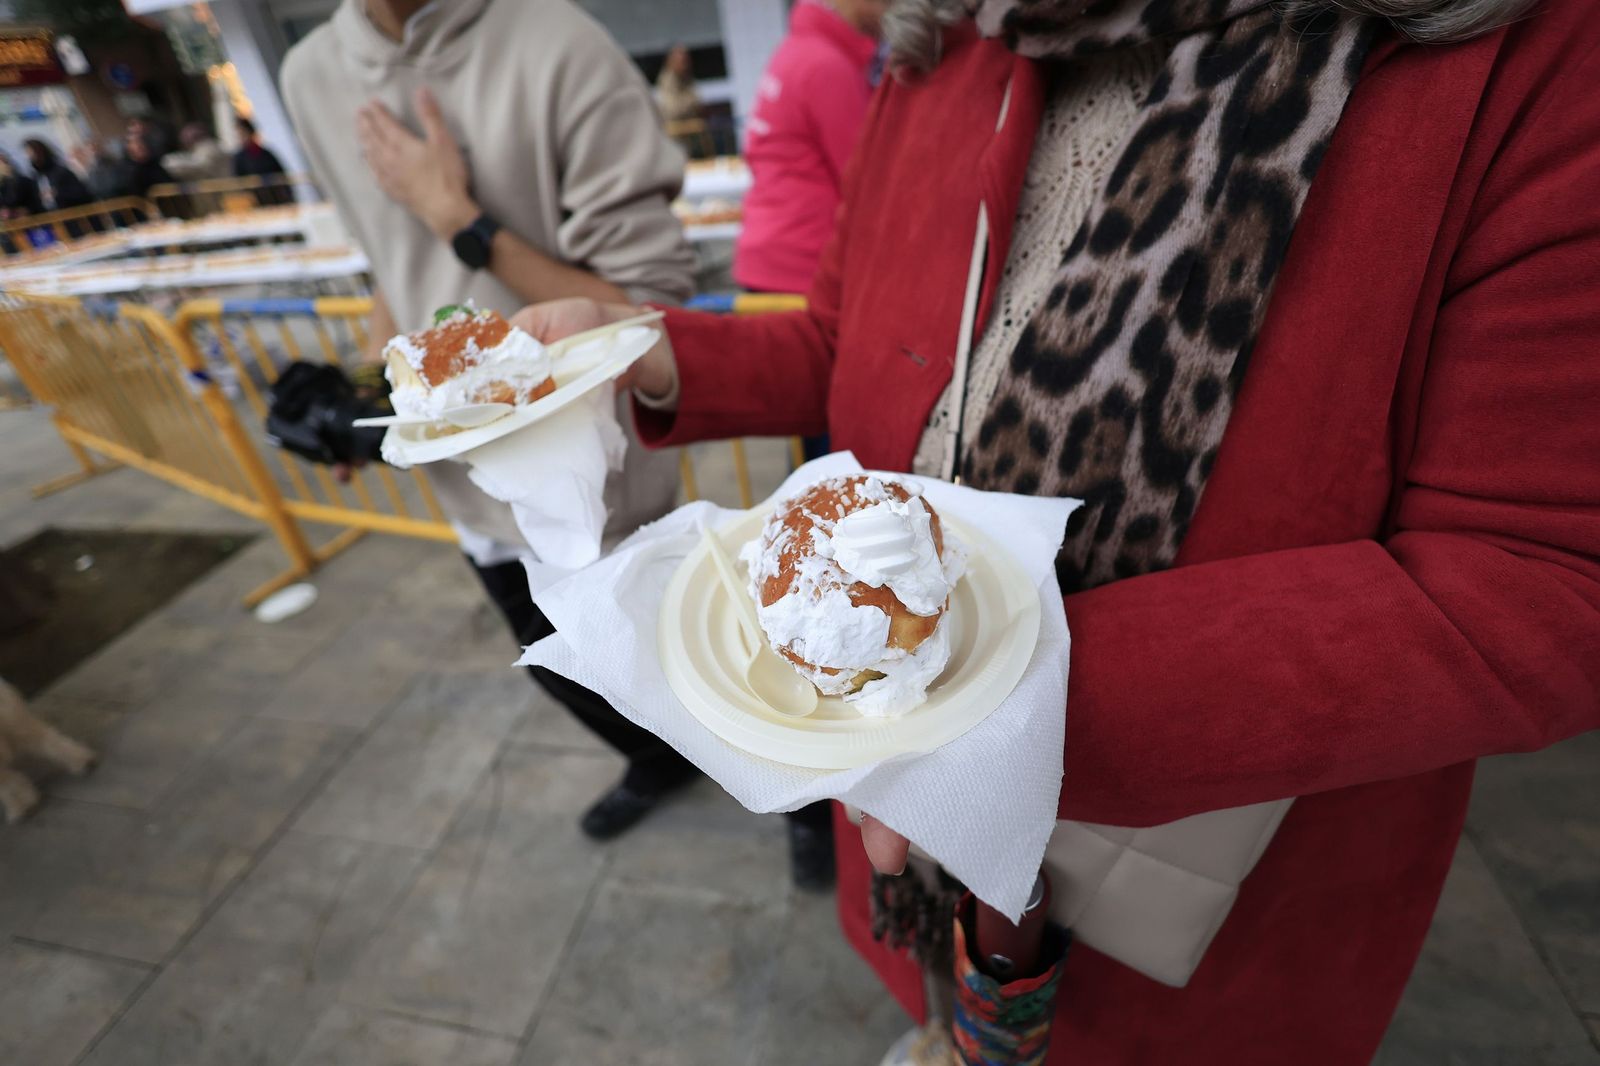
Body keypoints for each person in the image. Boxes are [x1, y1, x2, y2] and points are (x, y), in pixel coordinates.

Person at [516, 0, 1600, 1060]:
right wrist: (645, 353)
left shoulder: (1529, 57)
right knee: (944, 1020)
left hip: (1218, 886)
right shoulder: (948, 41)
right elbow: (853, 340)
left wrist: (998, 704)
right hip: (908, 815)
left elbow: (1540, 576)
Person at [277, 0, 707, 845]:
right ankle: (657, 763)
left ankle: (802, 804)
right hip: (466, 482)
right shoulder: (308, 74)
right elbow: (390, 271)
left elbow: (650, 303)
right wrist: (370, 396)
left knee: (694, 656)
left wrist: (459, 220)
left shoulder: (558, 41)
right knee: (556, 661)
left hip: (604, 469)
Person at [734, 0, 885, 296]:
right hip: (804, 263)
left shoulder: (797, 50)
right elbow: (864, 180)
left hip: (770, 251)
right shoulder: (828, 66)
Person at [654, 45, 706, 158]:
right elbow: (673, 109)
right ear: (670, 62)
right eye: (682, 61)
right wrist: (691, 103)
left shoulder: (688, 80)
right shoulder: (667, 81)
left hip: (691, 140)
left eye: (687, 60)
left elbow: (699, 103)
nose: (685, 65)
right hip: (675, 141)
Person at [231, 116, 293, 206]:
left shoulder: (266, 153)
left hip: (276, 198)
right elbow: (239, 180)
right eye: (238, 135)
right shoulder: (239, 158)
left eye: (242, 133)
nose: (240, 137)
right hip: (256, 201)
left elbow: (281, 173)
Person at [23, 139, 91, 213]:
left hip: (72, 216)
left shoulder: (61, 172)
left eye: (31, 152)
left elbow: (81, 193)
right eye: (28, 153)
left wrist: (57, 193)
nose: (30, 156)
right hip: (52, 220)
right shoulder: (35, 178)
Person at [162, 122, 231, 183]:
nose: (185, 144)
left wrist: (169, 163)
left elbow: (200, 166)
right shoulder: (204, 148)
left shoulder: (208, 147)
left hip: (219, 190)